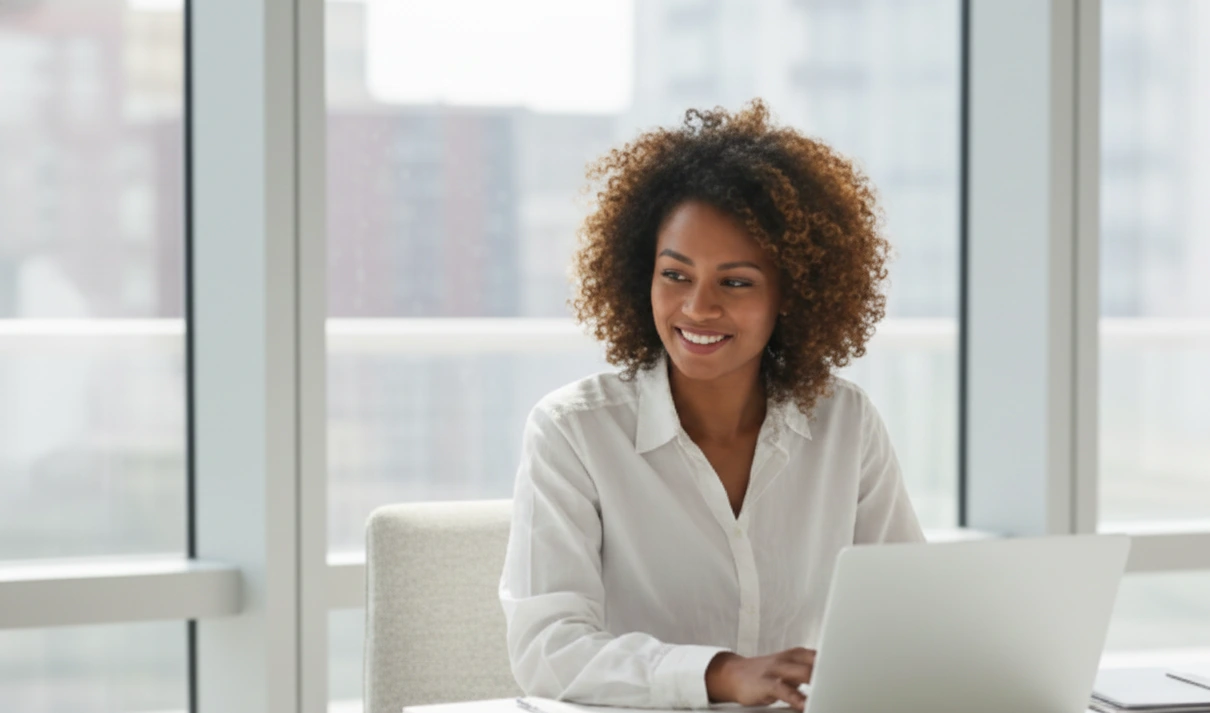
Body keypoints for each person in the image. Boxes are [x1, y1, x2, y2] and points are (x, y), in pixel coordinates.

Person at [498, 100, 924, 711]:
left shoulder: (844, 424)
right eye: (675, 275)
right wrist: (719, 674)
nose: (697, 308)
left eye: (737, 281)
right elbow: (547, 649)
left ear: (791, 295)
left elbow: (907, 610)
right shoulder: (573, 432)